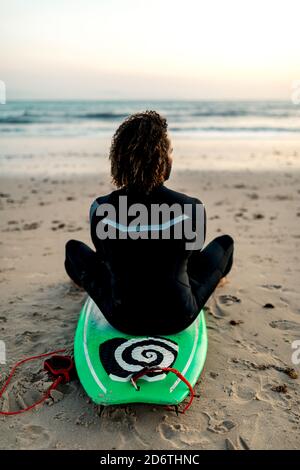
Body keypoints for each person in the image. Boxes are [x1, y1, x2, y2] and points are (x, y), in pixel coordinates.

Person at [65, 111, 234, 335]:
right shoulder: (192, 208)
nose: (172, 158)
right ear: (162, 160)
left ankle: (83, 285)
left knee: (73, 249)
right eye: (170, 152)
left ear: (119, 160)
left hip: (122, 318)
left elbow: (104, 257)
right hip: (178, 316)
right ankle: (218, 281)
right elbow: (191, 258)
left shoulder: (101, 208)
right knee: (225, 244)